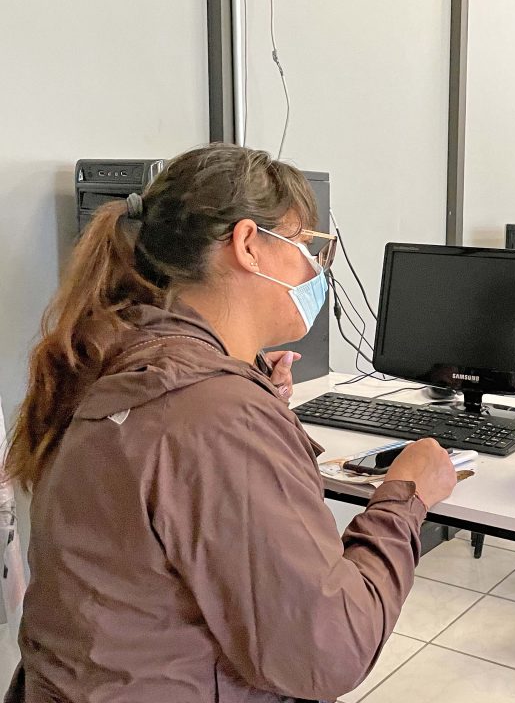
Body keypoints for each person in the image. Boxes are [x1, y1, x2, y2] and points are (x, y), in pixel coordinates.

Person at [3, 145, 456, 703]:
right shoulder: (213, 412)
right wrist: (404, 497)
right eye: (307, 245)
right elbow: (331, 649)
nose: (317, 269)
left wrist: (249, 390)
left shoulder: (116, 360)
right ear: (248, 245)